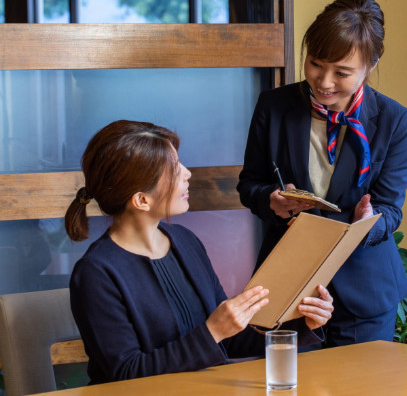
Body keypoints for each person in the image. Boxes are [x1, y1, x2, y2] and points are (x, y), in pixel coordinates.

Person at [65, 120, 333, 384]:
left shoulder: (185, 241)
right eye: (174, 170)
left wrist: (303, 324)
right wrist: (212, 331)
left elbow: (227, 338)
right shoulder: (95, 273)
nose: (187, 173)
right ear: (142, 200)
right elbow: (125, 374)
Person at [237, 0, 407, 347]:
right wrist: (272, 200)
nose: (324, 82)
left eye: (342, 72)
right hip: (291, 279)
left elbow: (391, 209)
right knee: (288, 376)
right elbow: (250, 184)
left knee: (361, 377)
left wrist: (370, 222)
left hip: (364, 284)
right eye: (315, 64)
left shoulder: (394, 120)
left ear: (371, 64)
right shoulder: (274, 106)